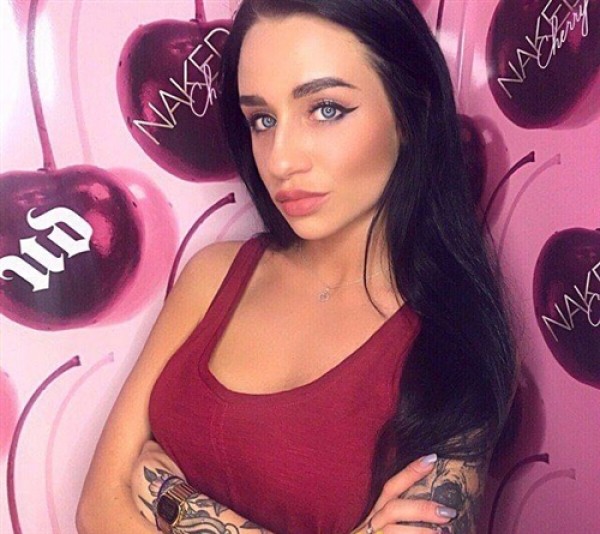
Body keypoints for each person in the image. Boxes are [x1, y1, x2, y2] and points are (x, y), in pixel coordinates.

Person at [77, 0, 516, 533]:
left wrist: (179, 505)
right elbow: (97, 509)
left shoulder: (454, 341)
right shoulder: (214, 275)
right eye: (262, 120)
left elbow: (132, 493)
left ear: (410, 110)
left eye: (325, 109)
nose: (281, 160)